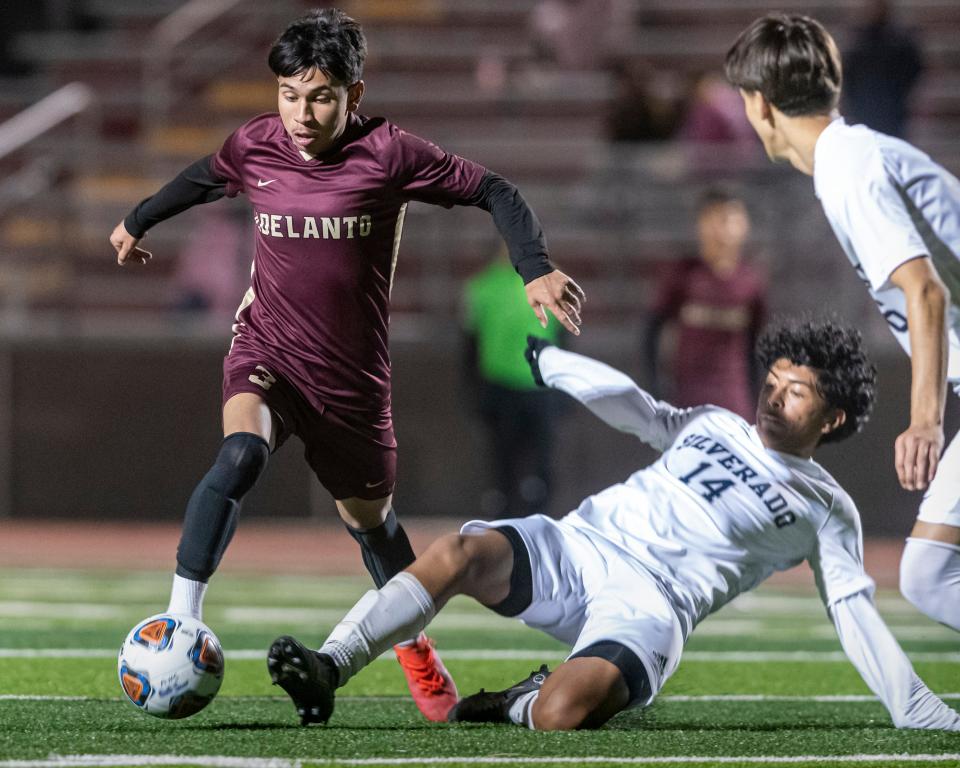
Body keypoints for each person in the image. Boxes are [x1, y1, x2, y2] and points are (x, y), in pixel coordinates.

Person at [107, 7, 585, 724]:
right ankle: (180, 618)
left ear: (353, 95)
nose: (302, 113)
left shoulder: (389, 152)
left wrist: (535, 269)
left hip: (352, 385)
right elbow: (202, 177)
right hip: (266, 350)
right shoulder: (256, 146)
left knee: (374, 526)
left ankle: (414, 648)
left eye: (321, 96)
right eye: (290, 94)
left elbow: (496, 190)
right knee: (240, 453)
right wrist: (137, 219)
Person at [265, 319, 960, 732]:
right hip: (581, 545)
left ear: (833, 418)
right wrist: (553, 363)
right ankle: (331, 664)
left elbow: (851, 610)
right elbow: (642, 411)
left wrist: (913, 706)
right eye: (773, 380)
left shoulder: (828, 506)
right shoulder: (716, 424)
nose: (773, 396)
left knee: (564, 712)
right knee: (457, 551)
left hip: (653, 608)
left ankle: (518, 699)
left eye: (797, 391)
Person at [725, 14, 960, 633]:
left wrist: (925, 422)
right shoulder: (858, 154)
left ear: (761, 104)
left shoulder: (847, 168)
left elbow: (926, 292)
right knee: (931, 572)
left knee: (932, 575)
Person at [644, 187, 766, 419]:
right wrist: (656, 388)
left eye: (730, 218)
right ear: (700, 224)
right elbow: (651, 332)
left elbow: (757, 345)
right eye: (715, 218)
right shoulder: (683, 275)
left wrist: (758, 400)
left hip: (735, 406)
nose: (723, 229)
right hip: (688, 403)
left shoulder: (751, 281)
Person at [463, 247, 562, 519]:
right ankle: (503, 529)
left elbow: (564, 340)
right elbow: (471, 345)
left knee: (539, 470)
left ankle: (538, 525)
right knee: (503, 467)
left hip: (539, 386)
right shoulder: (482, 287)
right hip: (500, 387)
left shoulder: (549, 283)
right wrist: (473, 391)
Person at [843, 0, 923, 139]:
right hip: (865, 107)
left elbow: (913, 69)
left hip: (892, 109)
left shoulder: (899, 41)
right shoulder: (859, 42)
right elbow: (849, 74)